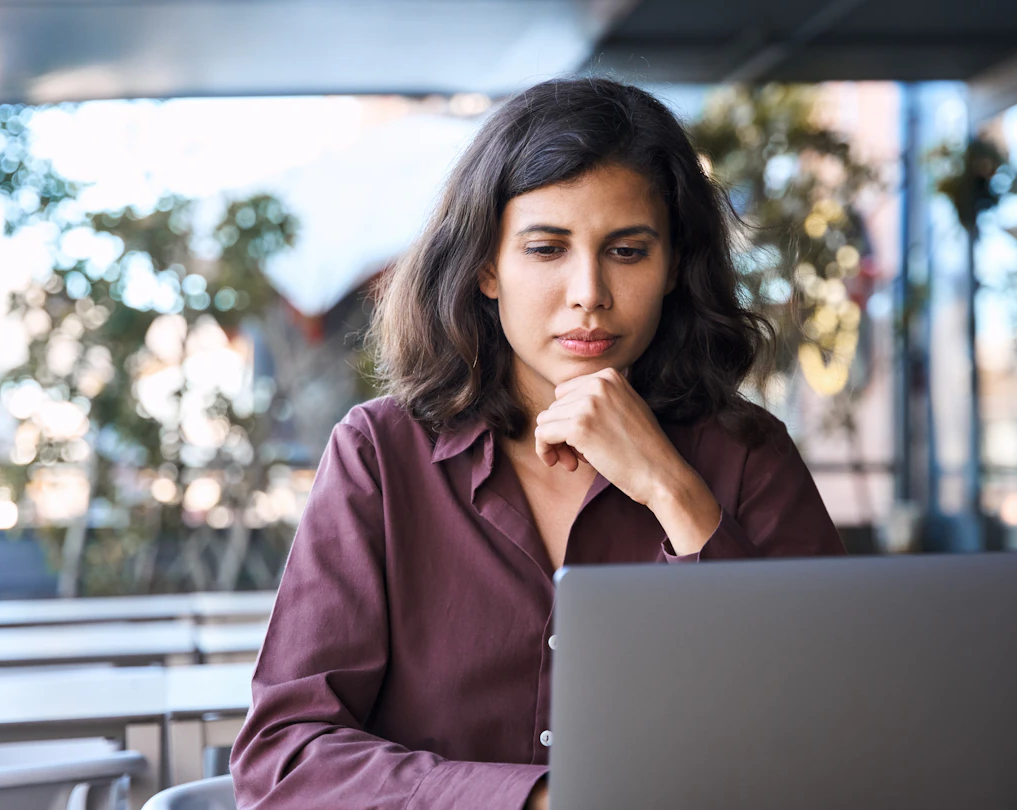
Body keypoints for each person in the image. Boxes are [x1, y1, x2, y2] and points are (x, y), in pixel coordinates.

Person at [230, 77, 844, 810]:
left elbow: (830, 728)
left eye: (627, 251)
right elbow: (286, 756)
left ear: (674, 266)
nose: (589, 292)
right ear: (487, 266)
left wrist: (672, 490)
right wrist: (536, 800)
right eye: (547, 248)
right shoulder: (380, 456)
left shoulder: (748, 456)